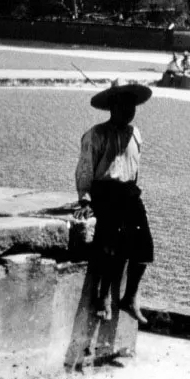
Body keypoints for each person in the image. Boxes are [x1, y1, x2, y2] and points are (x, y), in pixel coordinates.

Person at [74, 78, 154, 325]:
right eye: (122, 106)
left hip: (129, 192)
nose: (127, 112)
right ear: (112, 107)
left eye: (131, 107)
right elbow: (85, 168)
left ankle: (130, 296)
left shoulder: (136, 133)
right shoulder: (95, 134)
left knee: (144, 247)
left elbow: (134, 166)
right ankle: (104, 296)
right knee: (110, 245)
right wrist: (85, 200)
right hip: (104, 193)